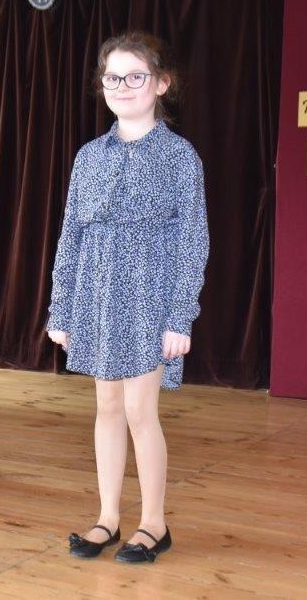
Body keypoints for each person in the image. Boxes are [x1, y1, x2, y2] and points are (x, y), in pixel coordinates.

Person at [46, 30, 210, 564]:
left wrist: (180, 317)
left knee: (141, 410)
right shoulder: (89, 156)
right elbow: (71, 235)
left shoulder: (180, 157)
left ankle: (154, 524)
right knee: (108, 407)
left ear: (162, 83)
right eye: (112, 77)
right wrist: (61, 307)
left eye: (135, 76)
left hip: (149, 298)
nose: (122, 86)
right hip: (96, 295)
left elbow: (193, 241)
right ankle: (107, 518)